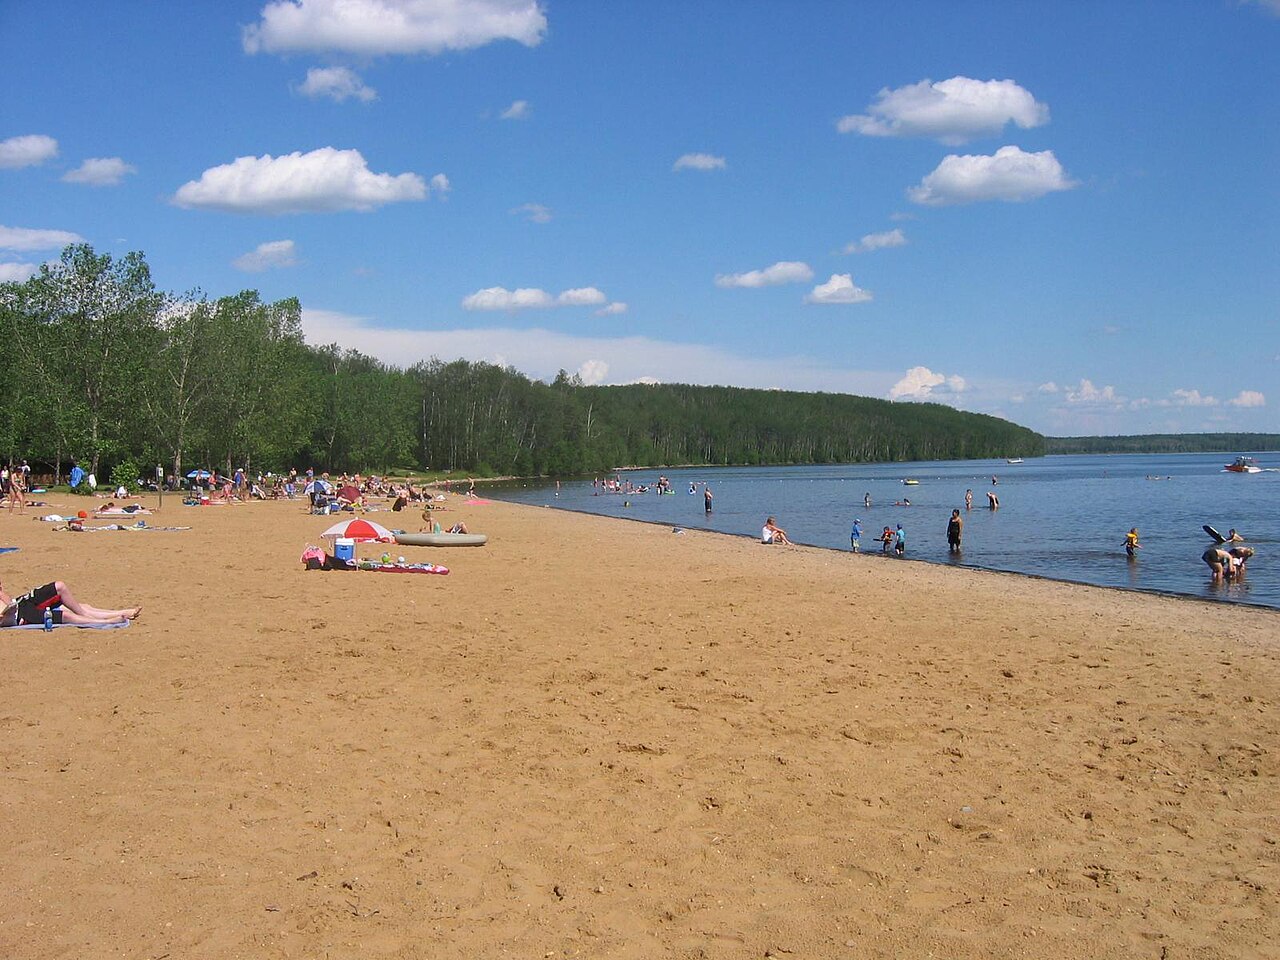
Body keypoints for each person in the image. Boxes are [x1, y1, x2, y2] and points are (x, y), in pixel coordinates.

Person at [0, 579, 141, 627]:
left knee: (59, 586)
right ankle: (106, 622)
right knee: (66, 615)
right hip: (16, 618)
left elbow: (9, 602)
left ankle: (121, 612)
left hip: (19, 604)